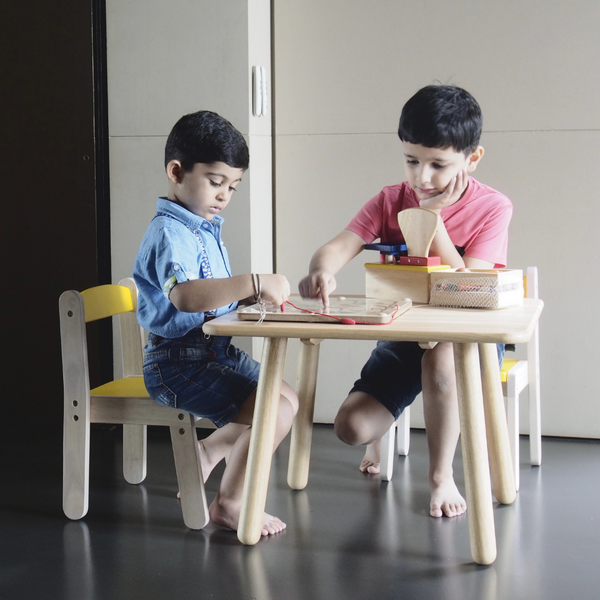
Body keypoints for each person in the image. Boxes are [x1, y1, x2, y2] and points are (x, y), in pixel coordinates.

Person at [299, 85, 512, 518]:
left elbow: (468, 288)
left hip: (466, 336)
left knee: (440, 364)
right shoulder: (390, 199)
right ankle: (395, 417)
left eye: (438, 164)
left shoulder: (493, 207)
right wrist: (323, 268)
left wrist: (433, 226)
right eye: (412, 161)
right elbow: (341, 244)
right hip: (406, 335)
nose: (422, 178)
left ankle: (440, 476)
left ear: (472, 159)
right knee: (349, 428)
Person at [134, 110, 298, 536]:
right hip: (177, 364)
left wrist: (250, 295)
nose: (224, 195)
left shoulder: (203, 228)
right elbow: (186, 295)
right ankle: (230, 503)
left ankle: (206, 454)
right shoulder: (170, 232)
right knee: (272, 409)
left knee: (288, 399)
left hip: (210, 352)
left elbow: (212, 296)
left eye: (233, 186)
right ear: (177, 171)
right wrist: (254, 280)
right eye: (215, 181)